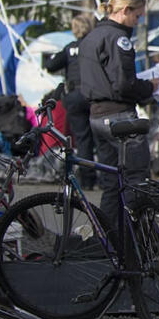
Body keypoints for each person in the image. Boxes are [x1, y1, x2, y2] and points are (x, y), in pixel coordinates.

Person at [79, 0, 159, 233]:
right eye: (137, 16)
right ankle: (138, 245)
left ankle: (110, 243)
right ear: (125, 10)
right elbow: (124, 84)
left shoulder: (91, 36)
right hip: (120, 118)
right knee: (136, 180)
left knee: (111, 184)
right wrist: (149, 87)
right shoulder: (118, 39)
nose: (138, 21)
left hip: (96, 116)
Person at [43, 12, 97, 187]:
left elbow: (50, 65)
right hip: (94, 95)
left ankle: (87, 180)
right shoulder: (95, 45)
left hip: (74, 96)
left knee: (82, 139)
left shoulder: (69, 48)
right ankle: (106, 177)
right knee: (100, 137)